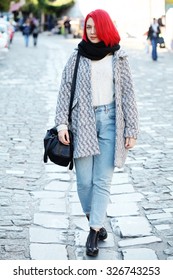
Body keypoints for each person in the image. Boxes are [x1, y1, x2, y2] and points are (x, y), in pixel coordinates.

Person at [55, 9, 138, 257]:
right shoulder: (77, 56)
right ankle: (97, 217)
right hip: (82, 122)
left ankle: (93, 230)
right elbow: (64, 90)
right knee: (83, 181)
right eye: (87, 27)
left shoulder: (119, 57)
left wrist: (131, 129)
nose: (91, 32)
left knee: (102, 180)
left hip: (111, 121)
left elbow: (128, 95)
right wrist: (61, 125)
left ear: (105, 27)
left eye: (95, 27)